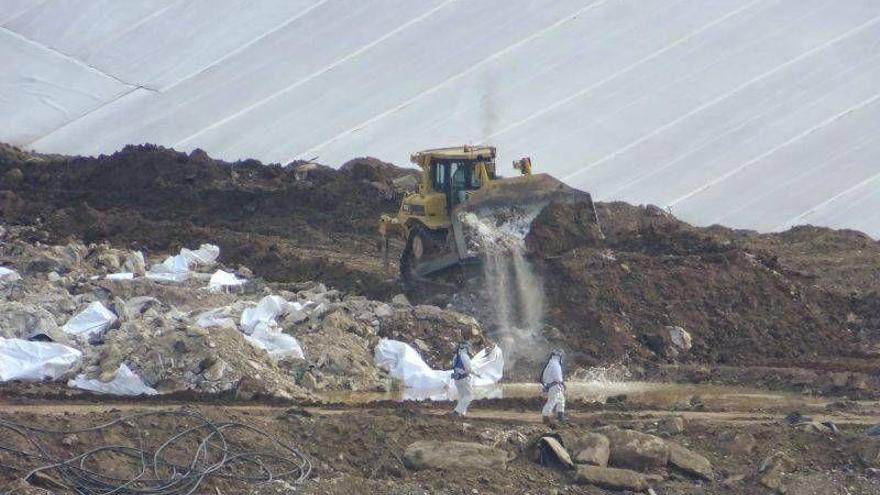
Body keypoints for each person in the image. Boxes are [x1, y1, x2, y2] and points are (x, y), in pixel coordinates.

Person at [452, 341, 477, 417]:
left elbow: (454, 367)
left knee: (462, 396)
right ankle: (457, 411)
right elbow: (468, 369)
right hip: (464, 379)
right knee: (469, 396)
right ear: (464, 348)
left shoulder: (455, 356)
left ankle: (461, 413)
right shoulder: (465, 356)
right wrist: (476, 374)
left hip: (457, 379)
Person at [541, 349, 566, 424]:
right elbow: (558, 377)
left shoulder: (551, 363)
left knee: (561, 400)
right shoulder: (555, 364)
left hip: (553, 385)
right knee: (552, 401)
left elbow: (544, 377)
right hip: (555, 386)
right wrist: (563, 384)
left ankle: (560, 416)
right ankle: (546, 417)